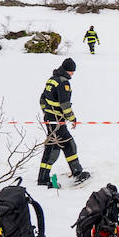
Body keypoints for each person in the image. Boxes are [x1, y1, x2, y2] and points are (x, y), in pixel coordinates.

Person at [38, 58, 89, 187]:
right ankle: (44, 179)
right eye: (72, 71)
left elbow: (42, 99)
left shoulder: (52, 80)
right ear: (69, 70)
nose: (72, 74)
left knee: (61, 145)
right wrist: (72, 118)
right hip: (57, 121)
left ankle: (75, 171)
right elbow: (65, 104)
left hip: (52, 119)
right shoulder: (63, 83)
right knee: (58, 147)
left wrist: (47, 113)